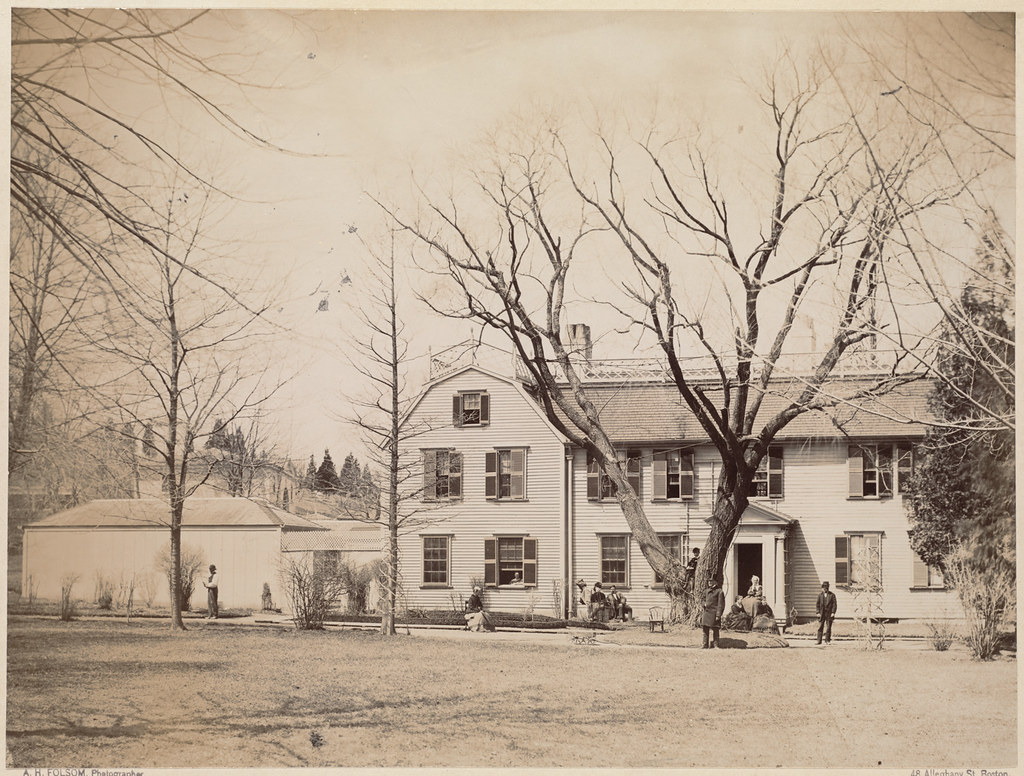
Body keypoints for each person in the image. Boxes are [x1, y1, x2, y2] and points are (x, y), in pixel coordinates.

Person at [701, 576, 725, 649]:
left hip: (714, 613)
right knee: (705, 629)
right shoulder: (706, 591)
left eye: (711, 581)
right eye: (709, 581)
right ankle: (705, 645)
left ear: (715, 582)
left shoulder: (719, 591)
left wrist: (718, 615)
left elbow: (721, 604)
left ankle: (716, 645)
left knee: (715, 629)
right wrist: (704, 604)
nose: (709, 582)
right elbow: (702, 599)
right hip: (706, 612)